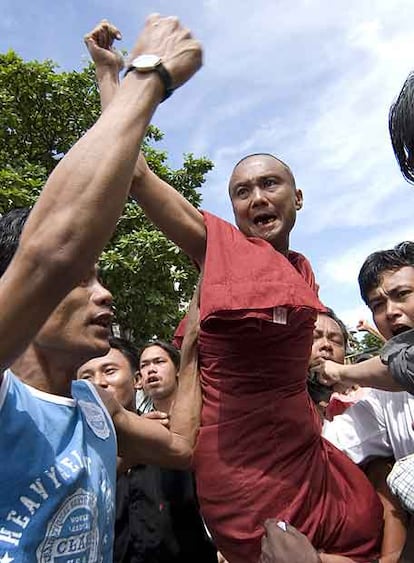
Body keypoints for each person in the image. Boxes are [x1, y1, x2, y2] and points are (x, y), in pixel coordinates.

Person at [87, 20, 384, 563]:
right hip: (243, 471)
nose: (255, 198)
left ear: (299, 197)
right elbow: (134, 172)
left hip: (306, 454)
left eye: (269, 185)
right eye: (241, 192)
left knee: (372, 523)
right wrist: (112, 76)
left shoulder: (302, 270)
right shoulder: (218, 250)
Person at [0, 14, 203, 561]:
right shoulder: (5, 398)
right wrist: (147, 75)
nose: (105, 295)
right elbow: (52, 251)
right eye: (82, 279)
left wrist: (195, 336)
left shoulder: (98, 408)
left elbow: (182, 448)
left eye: (100, 278)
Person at [78, 336, 217, 563]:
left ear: (136, 381)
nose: (98, 383)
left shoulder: (170, 436)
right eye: (86, 377)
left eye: (109, 371)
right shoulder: (71, 453)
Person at [316, 242, 414, 394]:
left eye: (402, 294)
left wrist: (340, 372)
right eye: (377, 305)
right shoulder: (379, 397)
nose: (390, 311)